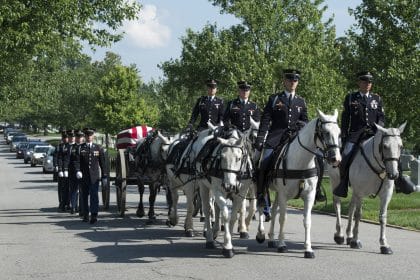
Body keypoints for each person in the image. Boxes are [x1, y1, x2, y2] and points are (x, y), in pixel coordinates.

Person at [254, 69, 320, 209]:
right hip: (276, 137)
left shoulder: (301, 101)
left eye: (295, 80)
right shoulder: (275, 99)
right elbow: (266, 119)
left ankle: (317, 190)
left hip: (295, 137)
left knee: (317, 159)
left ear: (297, 83)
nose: (292, 83)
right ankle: (261, 194)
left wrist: (301, 126)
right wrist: (261, 137)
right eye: (290, 80)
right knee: (264, 161)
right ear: (284, 81)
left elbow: (305, 121)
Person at [333, 71, 385, 197]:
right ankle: (343, 185)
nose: (367, 84)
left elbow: (381, 118)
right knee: (345, 157)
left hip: (373, 134)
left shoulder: (376, 98)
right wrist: (344, 135)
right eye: (364, 81)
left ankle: (399, 181)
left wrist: (379, 130)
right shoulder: (351, 98)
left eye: (369, 82)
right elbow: (345, 118)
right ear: (359, 82)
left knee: (391, 152)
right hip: (355, 135)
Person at [76, 128, 108, 224]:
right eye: (87, 136)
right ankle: (86, 215)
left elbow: (102, 163)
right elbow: (76, 161)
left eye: (91, 136)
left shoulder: (98, 148)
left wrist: (104, 175)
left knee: (94, 196)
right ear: (85, 137)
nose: (89, 137)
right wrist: (78, 170)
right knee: (84, 196)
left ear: (93, 137)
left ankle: (94, 215)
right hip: (84, 176)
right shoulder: (80, 148)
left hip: (94, 177)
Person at [68, 130, 84, 214]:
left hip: (83, 172)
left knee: (82, 191)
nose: (79, 139)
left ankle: (81, 208)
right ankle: (73, 206)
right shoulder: (71, 147)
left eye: (80, 137)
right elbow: (69, 160)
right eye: (78, 137)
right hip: (73, 172)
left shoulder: (85, 147)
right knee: (73, 190)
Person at [56, 130, 70, 211]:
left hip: (69, 170)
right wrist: (58, 166)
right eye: (64, 137)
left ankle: (68, 203)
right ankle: (62, 202)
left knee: (68, 188)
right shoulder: (60, 146)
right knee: (62, 188)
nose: (65, 139)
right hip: (62, 170)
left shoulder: (71, 146)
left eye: (66, 137)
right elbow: (57, 157)